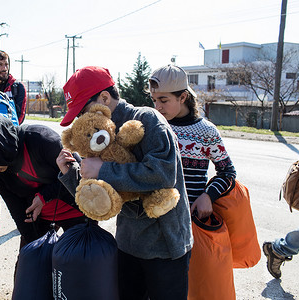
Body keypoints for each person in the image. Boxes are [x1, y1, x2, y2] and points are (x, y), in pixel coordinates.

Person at [56, 66, 192, 300]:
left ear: (104, 98)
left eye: (81, 111)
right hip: (128, 243)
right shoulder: (96, 135)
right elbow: (101, 197)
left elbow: (163, 174)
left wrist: (103, 169)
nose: (80, 120)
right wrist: (71, 174)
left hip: (164, 245)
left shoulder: (146, 120)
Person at [149, 64, 237, 297]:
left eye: (163, 100)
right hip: (151, 224)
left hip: (189, 225)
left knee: (189, 286)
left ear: (183, 96)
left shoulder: (206, 131)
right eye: (154, 100)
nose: (157, 107)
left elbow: (227, 172)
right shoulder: (152, 127)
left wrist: (209, 195)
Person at [0, 112, 88, 251]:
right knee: (30, 266)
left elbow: (82, 180)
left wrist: (43, 197)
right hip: (42, 218)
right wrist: (33, 246)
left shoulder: (42, 139)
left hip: (75, 212)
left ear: (2, 149)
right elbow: (16, 208)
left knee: (78, 263)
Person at [0, 50, 27, 234]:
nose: (4, 68)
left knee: (22, 182)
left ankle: (26, 216)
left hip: (14, 141)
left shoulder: (18, 88)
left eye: (6, 64)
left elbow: (21, 115)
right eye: (0, 64)